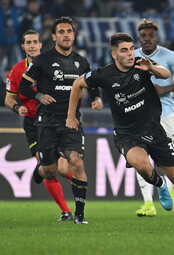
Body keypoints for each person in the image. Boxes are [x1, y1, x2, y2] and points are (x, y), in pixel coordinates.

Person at [66, 32, 174, 229]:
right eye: (124, 50)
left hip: (154, 129)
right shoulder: (104, 74)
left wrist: (151, 67)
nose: (129, 54)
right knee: (141, 164)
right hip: (127, 135)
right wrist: (71, 116)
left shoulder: (141, 63)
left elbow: (165, 74)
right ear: (114, 54)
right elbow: (77, 83)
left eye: (130, 49)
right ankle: (160, 185)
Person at [18, 17, 103, 224]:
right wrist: (38, 96)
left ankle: (80, 216)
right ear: (54, 36)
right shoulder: (42, 60)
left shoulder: (81, 62)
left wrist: (97, 98)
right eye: (62, 32)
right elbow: (23, 87)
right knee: (50, 170)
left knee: (76, 161)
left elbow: (92, 85)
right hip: (46, 122)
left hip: (71, 121)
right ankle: (41, 168)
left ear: (74, 35)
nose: (66, 35)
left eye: (69, 31)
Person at [5, 29, 76, 221]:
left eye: (35, 42)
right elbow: (9, 99)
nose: (32, 46)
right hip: (34, 124)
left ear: (40, 44)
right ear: (23, 46)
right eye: (28, 42)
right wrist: (17, 108)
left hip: (55, 120)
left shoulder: (53, 65)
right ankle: (66, 211)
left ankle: (77, 182)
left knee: (62, 169)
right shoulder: (17, 70)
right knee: (50, 170)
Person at [134, 19, 174, 216]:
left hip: (165, 113)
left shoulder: (169, 56)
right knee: (140, 158)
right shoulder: (132, 56)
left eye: (151, 35)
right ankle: (148, 203)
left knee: (170, 157)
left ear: (157, 38)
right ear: (139, 38)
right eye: (143, 36)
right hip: (139, 115)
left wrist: (164, 89)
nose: (147, 39)